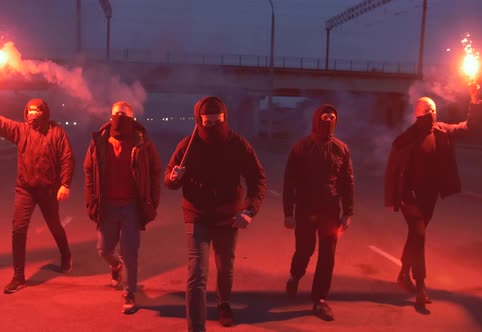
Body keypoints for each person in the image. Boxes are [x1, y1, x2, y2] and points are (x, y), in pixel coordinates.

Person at [165, 96, 266, 331]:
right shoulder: (187, 146)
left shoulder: (238, 145)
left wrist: (250, 210)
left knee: (225, 268)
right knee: (197, 274)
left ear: (225, 119)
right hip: (196, 214)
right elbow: (169, 175)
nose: (212, 128)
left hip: (227, 217)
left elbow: (257, 178)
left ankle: (224, 303)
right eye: (207, 123)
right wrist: (173, 178)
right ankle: (196, 327)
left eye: (217, 123)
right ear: (198, 121)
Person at [384, 85, 482, 312]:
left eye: (432, 113)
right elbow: (392, 171)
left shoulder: (442, 131)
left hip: (429, 198)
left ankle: (402, 274)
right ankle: (420, 286)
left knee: (415, 236)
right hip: (410, 199)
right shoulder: (405, 140)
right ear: (421, 115)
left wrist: (475, 102)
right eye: (428, 114)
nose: (431, 116)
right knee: (419, 235)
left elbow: (469, 128)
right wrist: (395, 198)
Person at [0, 91, 74, 294]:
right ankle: (19, 277)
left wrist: (65, 184)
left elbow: (67, 158)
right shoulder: (20, 130)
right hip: (25, 189)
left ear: (44, 113)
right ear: (26, 113)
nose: (33, 115)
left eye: (37, 112)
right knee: (18, 229)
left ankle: (66, 254)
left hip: (49, 189)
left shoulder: (56, 132)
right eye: (30, 112)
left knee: (54, 225)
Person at [84, 101, 161, 314]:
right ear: (110, 116)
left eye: (124, 113)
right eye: (116, 113)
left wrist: (152, 201)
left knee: (130, 253)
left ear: (132, 117)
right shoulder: (100, 140)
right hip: (107, 205)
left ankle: (129, 292)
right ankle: (115, 266)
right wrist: (91, 200)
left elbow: (156, 170)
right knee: (104, 249)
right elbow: (89, 170)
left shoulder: (142, 140)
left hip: (131, 207)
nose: (119, 115)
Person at [282, 104, 354, 321]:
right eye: (325, 117)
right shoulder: (301, 148)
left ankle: (320, 299)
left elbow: (347, 182)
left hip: (330, 210)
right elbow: (289, 182)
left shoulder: (341, 149)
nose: (329, 120)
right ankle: (295, 276)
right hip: (305, 208)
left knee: (327, 255)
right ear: (317, 120)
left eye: (333, 117)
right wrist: (288, 212)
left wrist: (348, 212)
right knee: (305, 249)